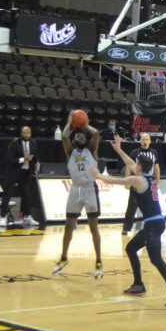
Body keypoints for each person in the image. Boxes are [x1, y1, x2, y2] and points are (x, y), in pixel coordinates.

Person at [92, 135, 166, 305]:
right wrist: (118, 149)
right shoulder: (146, 177)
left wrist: (98, 175)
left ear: (140, 166)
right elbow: (129, 162)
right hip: (155, 223)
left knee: (155, 258)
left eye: (137, 164)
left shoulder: (138, 180)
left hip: (153, 225)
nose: (134, 166)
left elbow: (116, 180)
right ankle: (138, 284)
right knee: (131, 248)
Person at [53, 114, 103, 279]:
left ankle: (98, 261)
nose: (81, 136)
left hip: (89, 189)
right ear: (74, 140)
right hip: (75, 189)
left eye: (83, 135)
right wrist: (69, 122)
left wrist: (85, 124)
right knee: (69, 225)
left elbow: (96, 134)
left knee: (93, 226)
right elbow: (65, 135)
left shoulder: (92, 150)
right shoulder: (70, 151)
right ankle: (64, 258)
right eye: (78, 135)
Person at [0, 126, 40, 227]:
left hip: (25, 172)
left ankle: (27, 217)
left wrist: (37, 164)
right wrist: (24, 159)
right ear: (21, 133)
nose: (26, 135)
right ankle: (2, 217)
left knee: (27, 195)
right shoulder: (14, 143)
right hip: (13, 172)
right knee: (7, 195)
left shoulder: (33, 143)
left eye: (28, 133)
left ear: (31, 134)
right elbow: (9, 159)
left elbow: (35, 157)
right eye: (25, 133)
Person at [122, 132, 160, 236]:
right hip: (136, 182)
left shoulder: (154, 152)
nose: (145, 141)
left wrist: (158, 182)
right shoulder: (135, 152)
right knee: (131, 206)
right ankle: (126, 228)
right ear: (140, 141)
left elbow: (156, 168)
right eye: (143, 139)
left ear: (150, 141)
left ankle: (149, 227)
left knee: (149, 207)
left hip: (149, 182)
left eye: (147, 139)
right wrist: (127, 181)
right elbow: (129, 166)